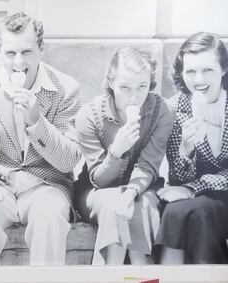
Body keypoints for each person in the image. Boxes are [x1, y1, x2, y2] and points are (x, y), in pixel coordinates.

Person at [0, 12, 82, 266]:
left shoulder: (66, 88)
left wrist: (36, 122)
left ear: (41, 49)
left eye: (27, 52)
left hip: (45, 185)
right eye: (10, 53)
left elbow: (69, 161)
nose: (18, 62)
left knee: (50, 221)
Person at [74, 48, 173, 265]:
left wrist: (130, 193)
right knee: (113, 206)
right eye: (125, 87)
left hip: (143, 186)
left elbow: (149, 165)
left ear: (150, 84)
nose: (134, 96)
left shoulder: (161, 111)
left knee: (142, 208)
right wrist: (116, 150)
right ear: (111, 82)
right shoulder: (89, 115)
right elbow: (99, 179)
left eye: (142, 87)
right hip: (97, 190)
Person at [155, 32, 228, 264]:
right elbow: (177, 179)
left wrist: (193, 187)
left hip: (211, 195)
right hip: (196, 199)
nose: (198, 80)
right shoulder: (175, 108)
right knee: (177, 211)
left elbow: (186, 186)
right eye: (190, 71)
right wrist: (186, 149)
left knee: (196, 210)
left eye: (208, 70)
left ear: (224, 69)